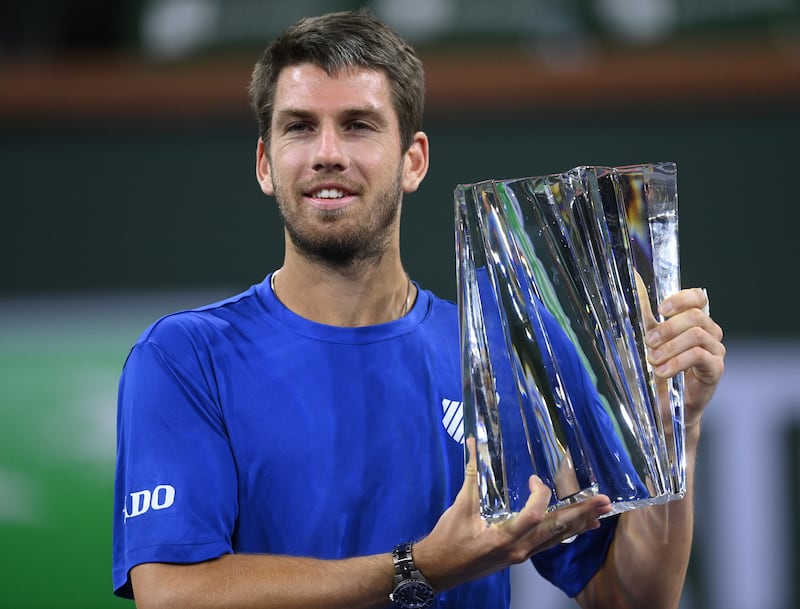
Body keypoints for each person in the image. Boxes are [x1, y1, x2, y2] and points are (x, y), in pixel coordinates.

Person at [112, 10, 726, 609]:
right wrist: (421, 568)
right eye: (300, 127)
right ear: (265, 164)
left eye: (358, 125)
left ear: (414, 160)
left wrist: (680, 429)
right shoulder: (184, 358)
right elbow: (172, 595)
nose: (327, 153)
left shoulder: (502, 353)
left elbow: (630, 598)